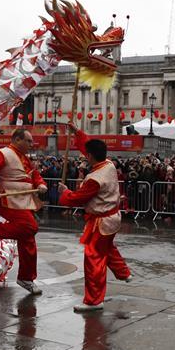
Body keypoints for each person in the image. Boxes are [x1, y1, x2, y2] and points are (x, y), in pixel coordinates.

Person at [57, 133, 132, 312]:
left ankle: (94, 300)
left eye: (86, 155)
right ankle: (123, 273)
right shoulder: (109, 164)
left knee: (93, 258)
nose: (85, 157)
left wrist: (65, 192)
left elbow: (77, 198)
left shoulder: (94, 179)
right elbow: (90, 148)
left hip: (101, 221)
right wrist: (77, 132)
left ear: (90, 156)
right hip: (112, 217)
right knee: (107, 248)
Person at [0, 129, 48, 295]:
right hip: (7, 199)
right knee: (30, 227)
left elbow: (33, 175)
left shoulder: (25, 158)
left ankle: (26, 277)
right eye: (28, 141)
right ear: (17, 140)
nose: (32, 144)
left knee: (28, 237)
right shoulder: (2, 153)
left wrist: (40, 184)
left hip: (23, 200)